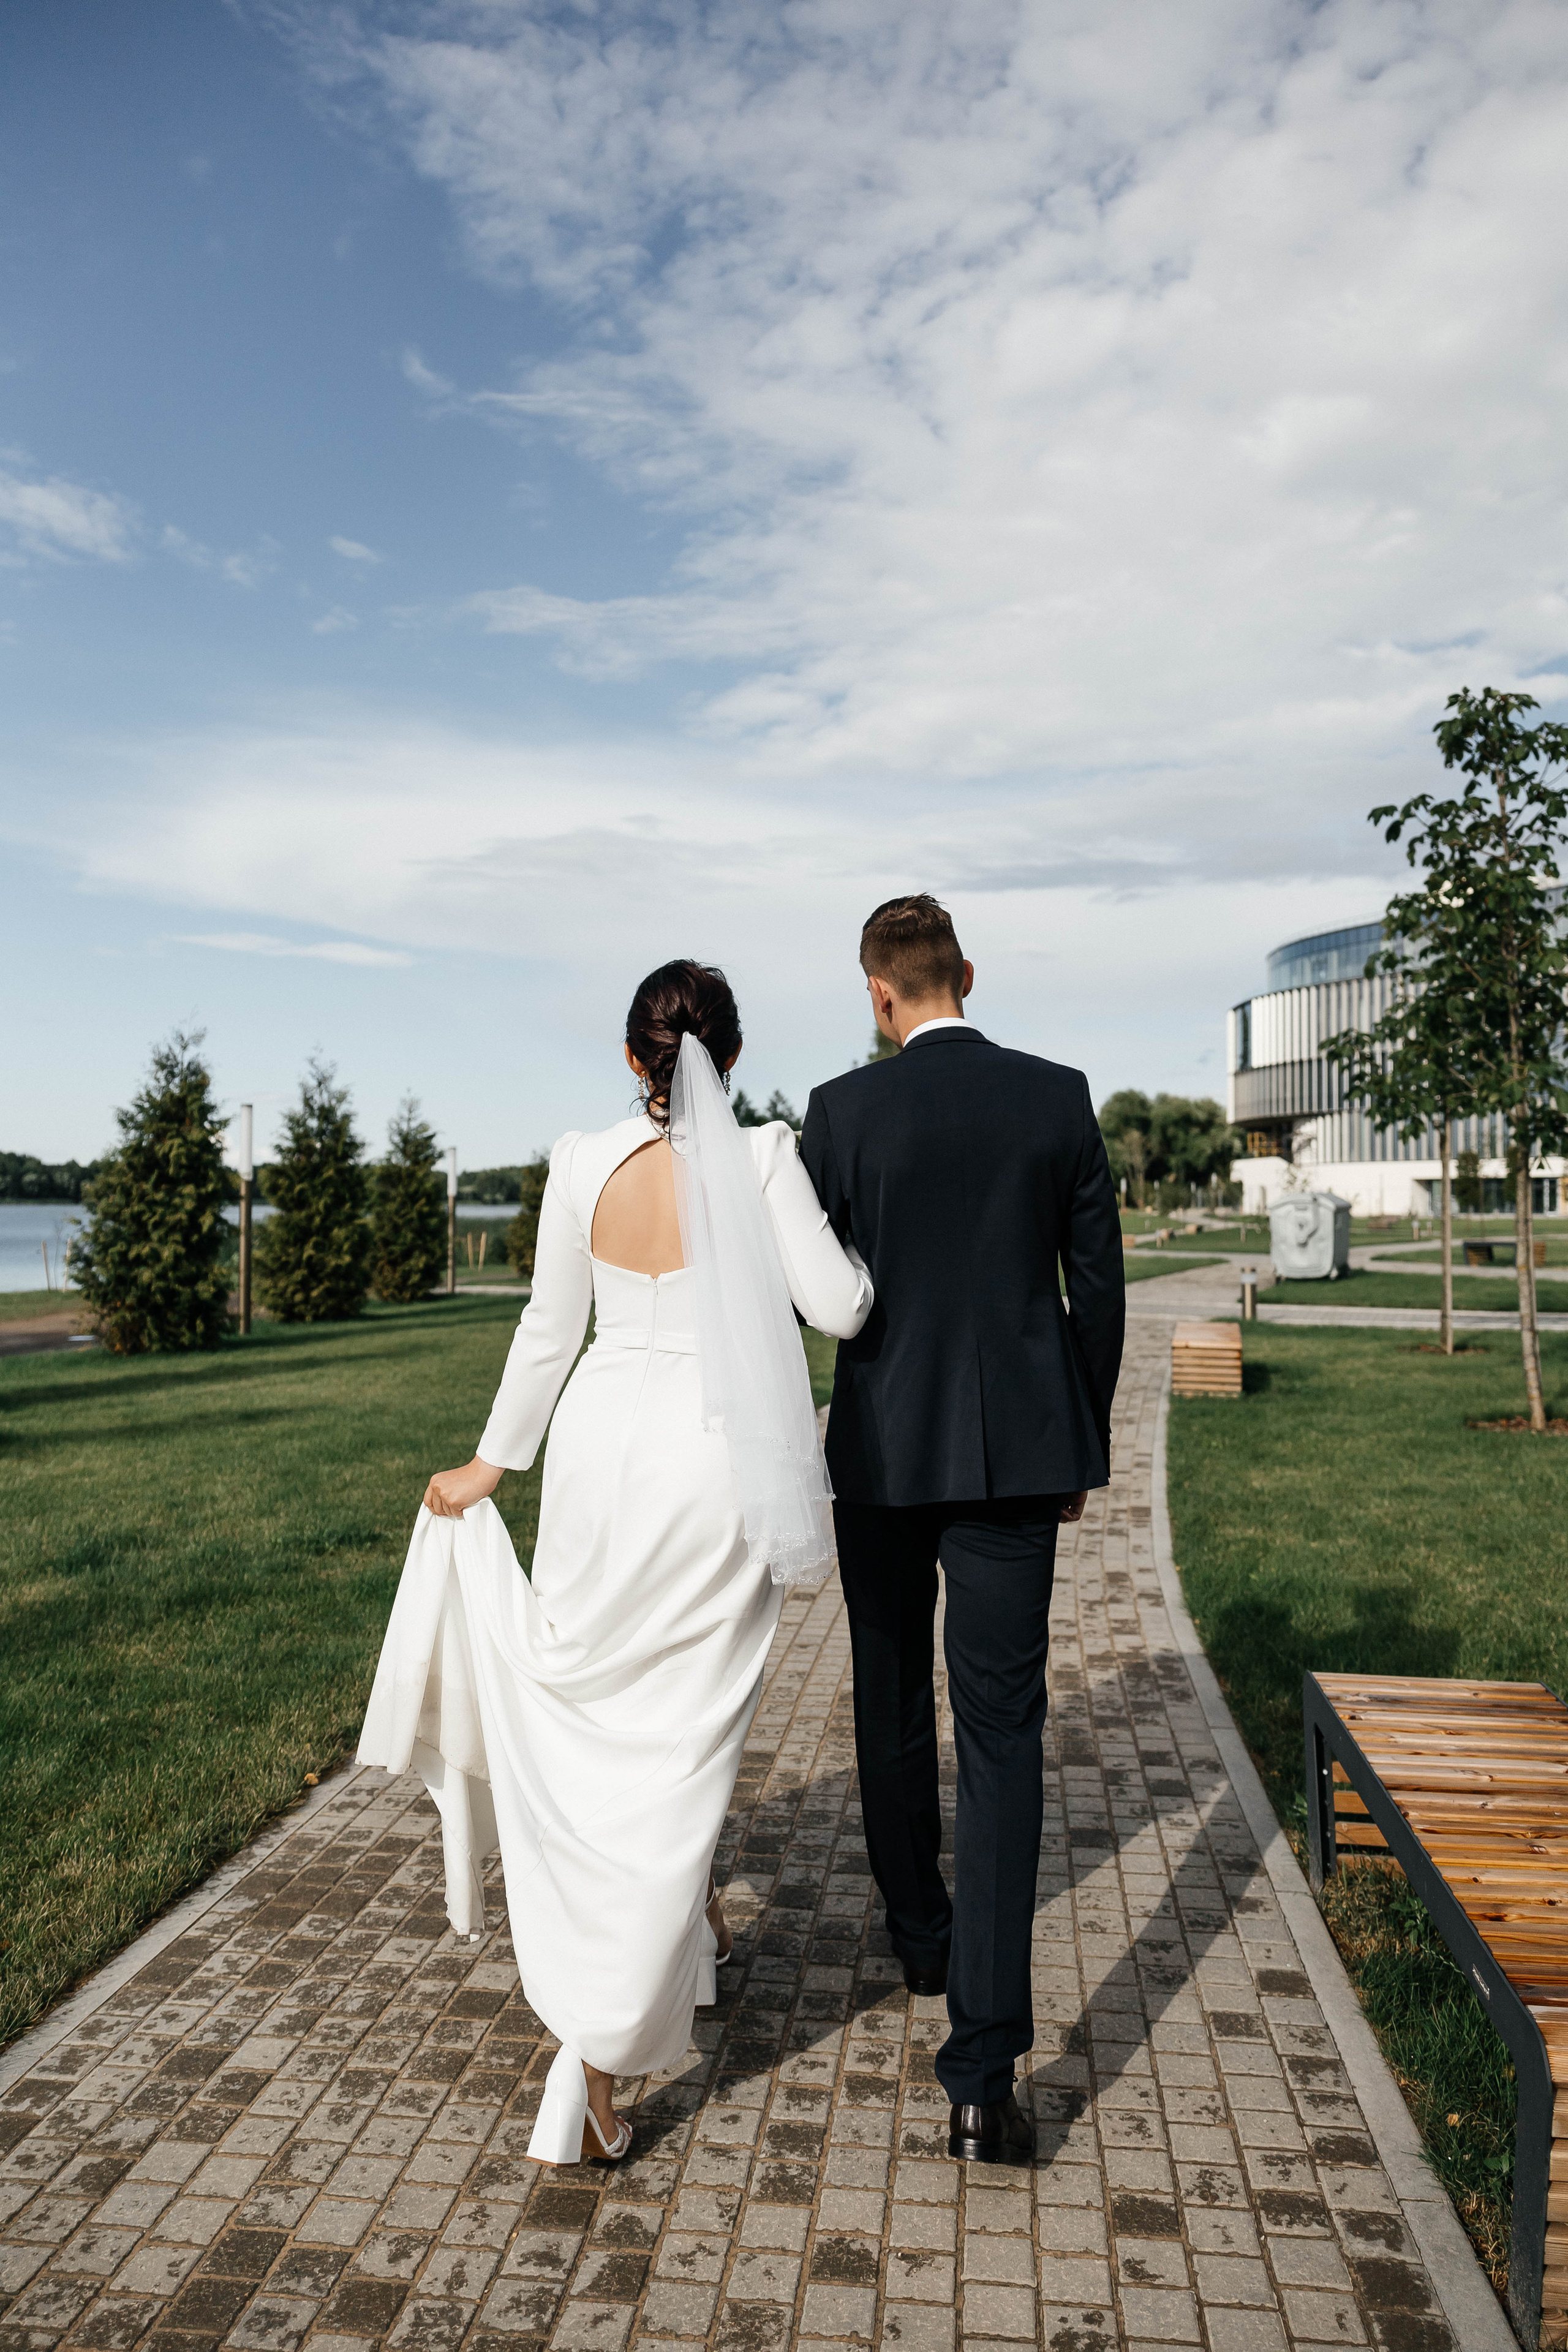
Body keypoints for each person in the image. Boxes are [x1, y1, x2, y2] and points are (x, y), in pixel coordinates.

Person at [360, 962, 872, 2165]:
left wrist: (491, 1465)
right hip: (710, 1469)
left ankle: (682, 1930)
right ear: (727, 1062)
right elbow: (842, 1308)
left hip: (596, 1458)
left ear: (633, 1058)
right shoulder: (761, 1159)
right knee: (680, 1747)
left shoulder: (579, 1161)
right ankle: (589, 2066)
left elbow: (549, 1329)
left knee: (607, 1731)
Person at [800, 894, 1124, 2166]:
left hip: (882, 1455)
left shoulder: (841, 1113)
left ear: (878, 994)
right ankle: (983, 2078)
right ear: (966, 976)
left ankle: (922, 1937)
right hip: (1012, 1463)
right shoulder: (1056, 1097)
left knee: (888, 1696)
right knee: (1001, 1737)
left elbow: (815, 1293)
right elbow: (1096, 1291)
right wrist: (1076, 1439)